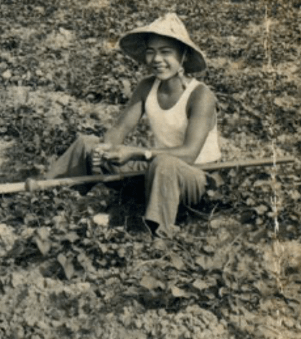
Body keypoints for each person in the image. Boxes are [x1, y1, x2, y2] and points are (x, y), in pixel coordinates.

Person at [45, 13, 221, 236]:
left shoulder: (201, 96)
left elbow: (189, 154)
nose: (157, 59)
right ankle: (43, 196)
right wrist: (106, 149)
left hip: (196, 179)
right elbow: (119, 129)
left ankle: (157, 234)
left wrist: (137, 153)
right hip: (157, 172)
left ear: (183, 56)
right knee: (87, 144)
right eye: (151, 52)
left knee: (165, 164)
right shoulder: (147, 86)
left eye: (166, 52)